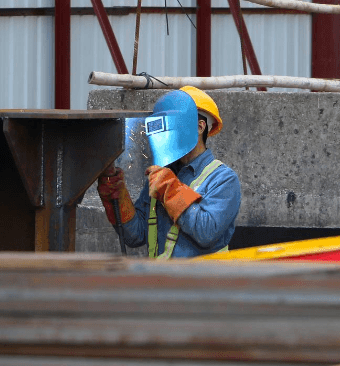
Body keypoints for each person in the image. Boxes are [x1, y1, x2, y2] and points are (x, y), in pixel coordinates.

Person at [96, 86, 241, 258]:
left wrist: (170, 191)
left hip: (205, 282)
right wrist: (118, 196)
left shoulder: (223, 179)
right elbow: (136, 235)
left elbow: (206, 232)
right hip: (162, 282)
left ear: (200, 127)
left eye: (176, 123)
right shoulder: (162, 175)